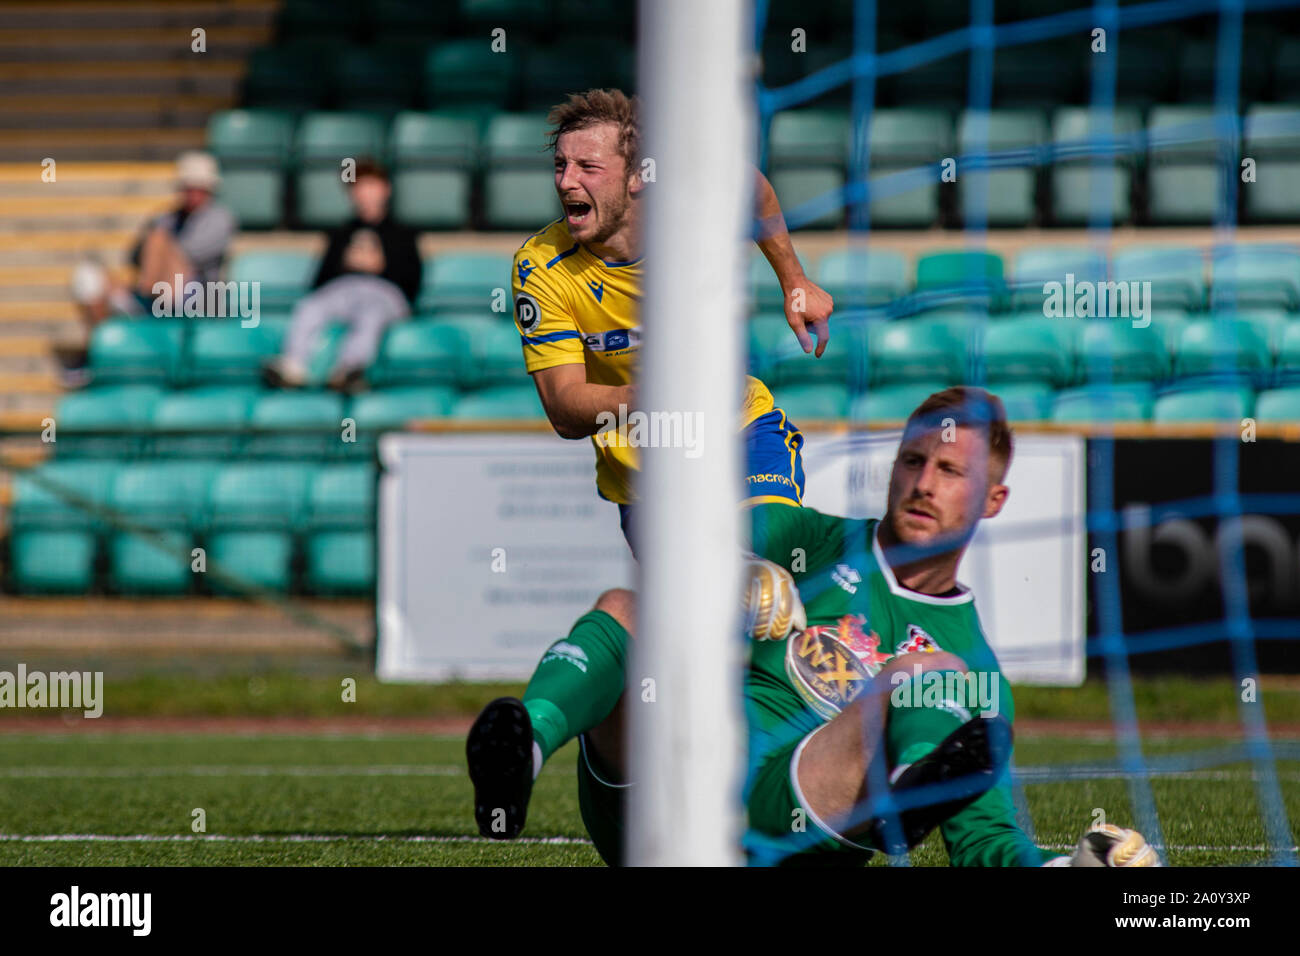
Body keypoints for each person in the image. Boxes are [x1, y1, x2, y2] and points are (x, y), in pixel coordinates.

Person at [471, 387, 1160, 867]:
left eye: (951, 471)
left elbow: (987, 845)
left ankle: (906, 786)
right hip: (661, 795)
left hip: (786, 824)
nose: (923, 484)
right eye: (914, 462)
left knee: (928, 673)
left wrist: (1067, 869)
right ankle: (519, 751)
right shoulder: (811, 538)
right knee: (629, 605)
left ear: (994, 499)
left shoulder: (976, 671)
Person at [466, 87, 835, 842]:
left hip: (742, 433)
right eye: (561, 165)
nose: (569, 181)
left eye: (588, 166)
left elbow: (752, 187)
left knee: (760, 555)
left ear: (637, 176)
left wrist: (793, 278)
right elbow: (566, 408)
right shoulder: (542, 267)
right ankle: (540, 749)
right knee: (677, 641)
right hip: (651, 485)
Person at [61, 150, 236, 382]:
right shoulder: (167, 219)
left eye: (199, 188)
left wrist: (158, 243)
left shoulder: (219, 219)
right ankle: (98, 352)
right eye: (188, 187)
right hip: (156, 294)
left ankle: (142, 302)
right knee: (89, 279)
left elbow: (189, 257)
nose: (193, 194)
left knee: (158, 239)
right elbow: (133, 257)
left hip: (197, 298)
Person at [263, 159, 421, 394]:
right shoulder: (340, 233)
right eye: (359, 187)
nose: (365, 194)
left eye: (371, 185)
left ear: (385, 189)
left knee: (371, 314)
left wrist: (381, 267)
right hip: (344, 290)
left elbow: (412, 284)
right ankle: (294, 366)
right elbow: (318, 283)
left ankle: (349, 369)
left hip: (384, 294)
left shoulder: (403, 234)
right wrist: (345, 264)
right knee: (309, 307)